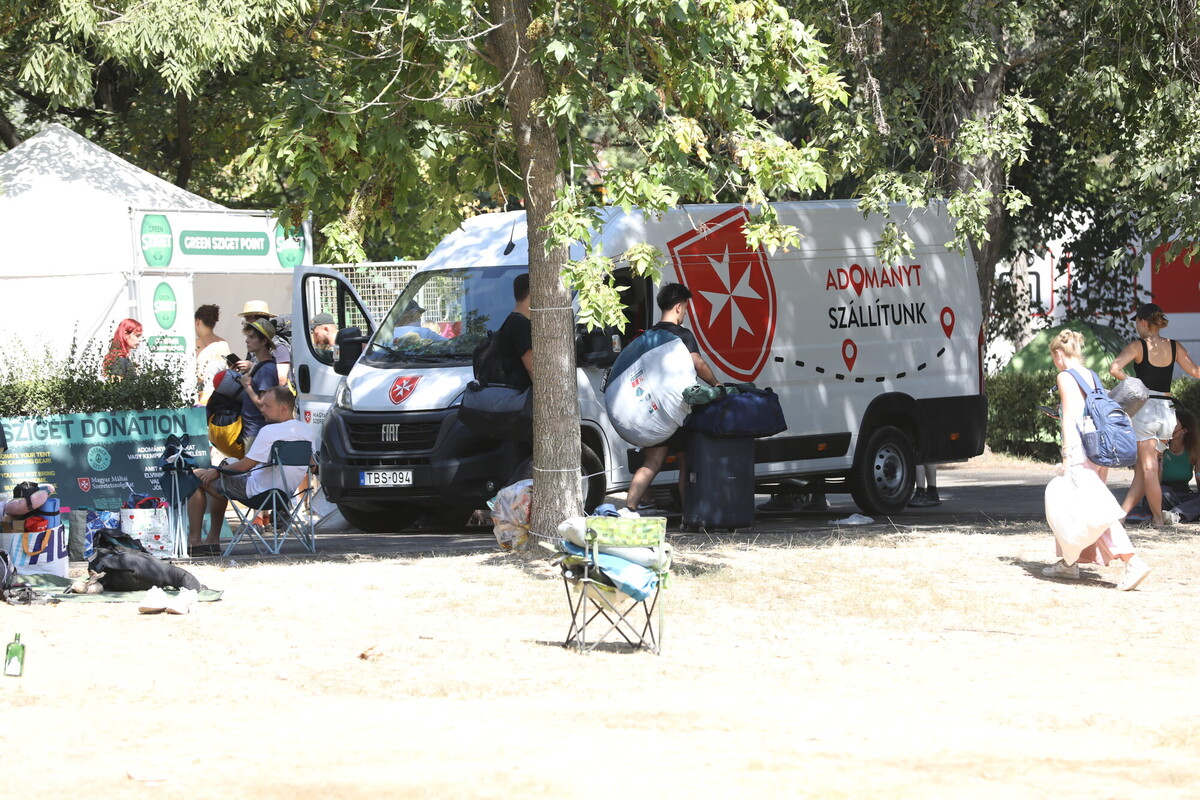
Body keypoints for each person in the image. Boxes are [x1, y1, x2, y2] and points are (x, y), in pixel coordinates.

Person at [1044, 329, 1151, 590]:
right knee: (1080, 505)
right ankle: (1070, 563)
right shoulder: (1090, 375)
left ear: (1059, 354)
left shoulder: (1064, 376)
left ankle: (1132, 561)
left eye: (1054, 357)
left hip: (1081, 450)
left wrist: (1066, 456)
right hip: (1099, 448)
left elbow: (1070, 418)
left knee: (1094, 510)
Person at [620, 283, 718, 517]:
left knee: (651, 462)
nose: (685, 313)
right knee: (686, 462)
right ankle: (689, 514)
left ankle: (629, 508)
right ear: (678, 306)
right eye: (685, 308)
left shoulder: (649, 335)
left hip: (655, 411)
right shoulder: (681, 335)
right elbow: (698, 363)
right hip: (678, 411)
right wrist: (716, 384)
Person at [186, 386, 315, 556]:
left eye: (267, 406)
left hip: (255, 493)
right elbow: (313, 465)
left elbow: (245, 466)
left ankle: (195, 541)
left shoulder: (269, 431)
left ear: (283, 408)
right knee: (226, 468)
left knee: (195, 477)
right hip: (283, 496)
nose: (261, 409)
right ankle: (212, 542)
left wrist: (216, 472)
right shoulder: (306, 431)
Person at [1109, 302, 1200, 526]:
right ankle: (1119, 517)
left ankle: (1158, 519)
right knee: (1144, 470)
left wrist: (1134, 384)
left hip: (1146, 410)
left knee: (1148, 467)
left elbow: (1114, 368)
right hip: (1168, 413)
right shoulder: (1175, 346)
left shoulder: (1138, 346)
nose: (1137, 328)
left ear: (1142, 321)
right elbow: (1196, 372)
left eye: (1137, 323)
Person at [236, 319, 280, 454]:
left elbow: (263, 405)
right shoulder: (262, 366)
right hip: (254, 430)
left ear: (264, 341)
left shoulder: (266, 370)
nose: (247, 340)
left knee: (253, 473)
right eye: (247, 336)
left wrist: (247, 386)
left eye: (252, 337)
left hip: (257, 431)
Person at [238, 300, 292, 387]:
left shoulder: (278, 345)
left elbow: (281, 380)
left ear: (255, 318)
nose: (244, 322)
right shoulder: (256, 344)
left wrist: (252, 367)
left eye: (247, 318)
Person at [494, 274, 533, 389]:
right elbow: (533, 368)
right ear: (533, 293)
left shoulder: (512, 320)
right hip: (519, 395)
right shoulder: (520, 324)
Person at [195, 305, 232, 406]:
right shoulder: (224, 344)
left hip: (201, 399)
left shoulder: (195, 344)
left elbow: (198, 375)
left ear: (198, 321)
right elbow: (230, 372)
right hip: (219, 399)